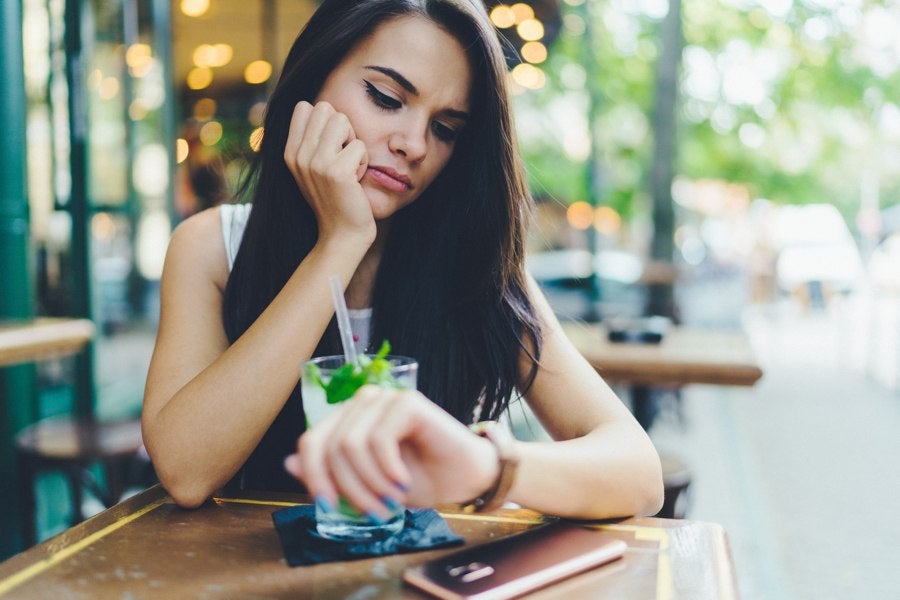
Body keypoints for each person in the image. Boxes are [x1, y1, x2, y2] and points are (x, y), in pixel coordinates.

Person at [142, 0, 663, 521]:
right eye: (386, 97)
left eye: (447, 129)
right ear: (312, 83)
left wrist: (487, 466)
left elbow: (638, 473)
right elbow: (186, 471)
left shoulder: (474, 262)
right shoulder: (213, 248)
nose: (413, 144)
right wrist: (338, 243)